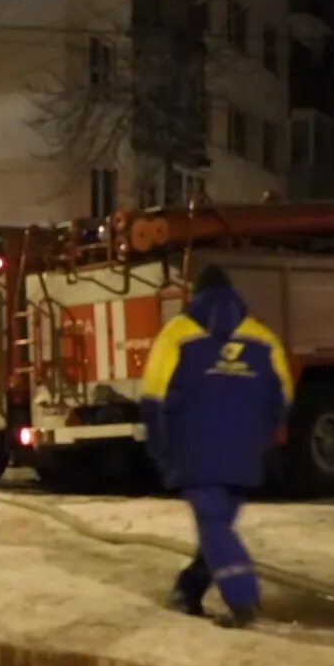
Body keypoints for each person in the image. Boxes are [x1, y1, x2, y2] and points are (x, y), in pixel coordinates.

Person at [140, 264, 294, 628]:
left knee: (213, 526)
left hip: (193, 449)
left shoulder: (176, 333)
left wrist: (161, 449)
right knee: (218, 524)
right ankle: (188, 591)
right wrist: (261, 438)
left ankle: (244, 601)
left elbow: (152, 398)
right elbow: (284, 396)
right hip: (245, 454)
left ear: (196, 294)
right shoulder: (263, 337)